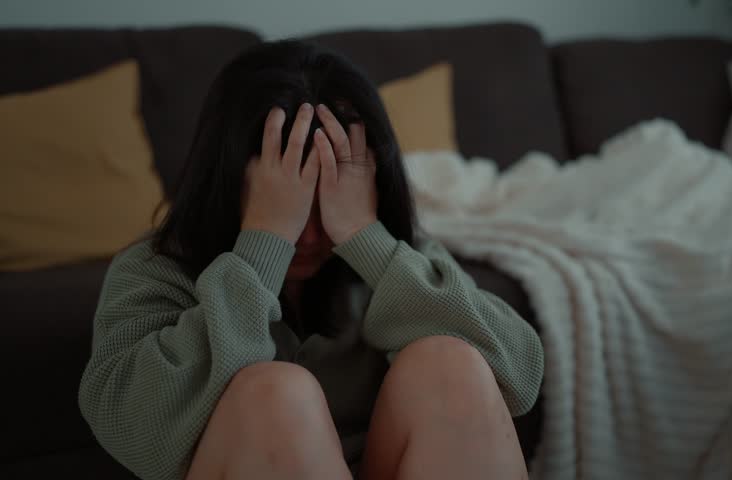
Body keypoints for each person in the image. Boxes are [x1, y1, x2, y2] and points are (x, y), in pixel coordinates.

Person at [78, 39, 544, 480]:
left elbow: (518, 376)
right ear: (226, 185)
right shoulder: (155, 268)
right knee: (277, 395)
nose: (311, 236)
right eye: (292, 206)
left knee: (452, 362)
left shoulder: (402, 262)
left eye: (329, 206)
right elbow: (132, 431)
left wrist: (365, 239)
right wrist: (264, 241)